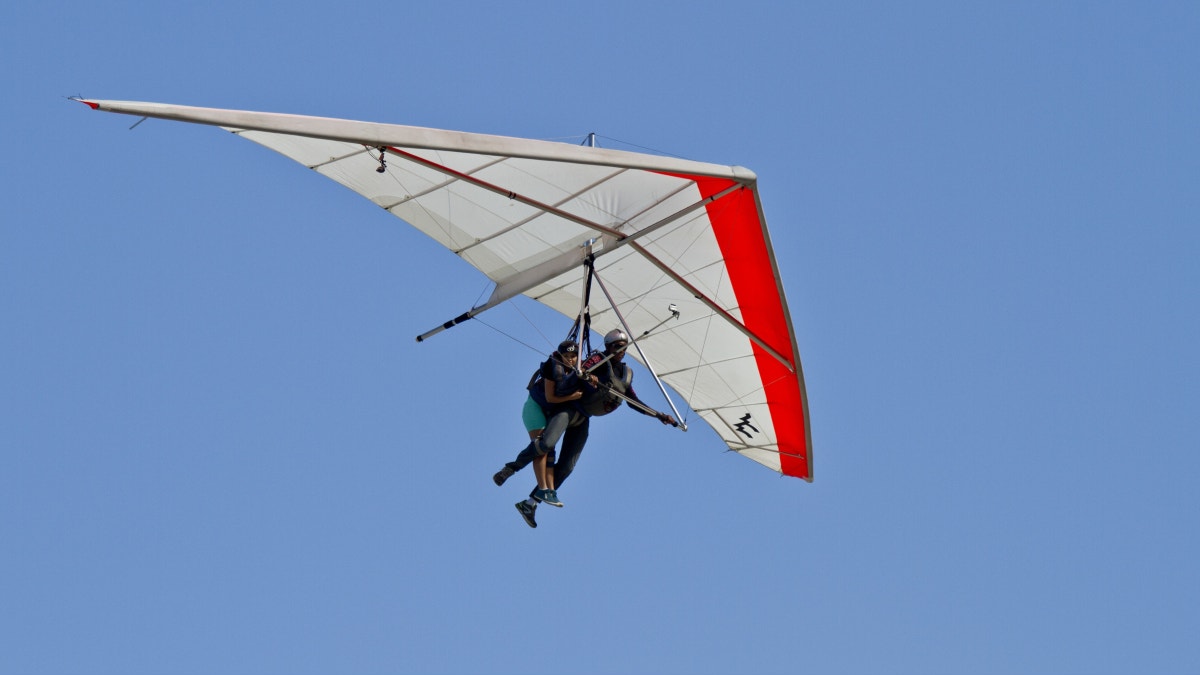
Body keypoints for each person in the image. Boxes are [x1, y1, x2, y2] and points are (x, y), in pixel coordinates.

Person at [494, 329, 676, 528]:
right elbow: (566, 384)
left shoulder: (626, 373)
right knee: (546, 443)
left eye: (623, 347)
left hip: (583, 419)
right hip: (568, 409)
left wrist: (658, 415)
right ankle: (510, 468)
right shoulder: (596, 359)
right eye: (616, 346)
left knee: (567, 467)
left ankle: (530, 504)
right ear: (608, 347)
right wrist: (586, 377)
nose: (620, 350)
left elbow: (633, 401)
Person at [492, 340, 594, 512]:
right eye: (566, 356)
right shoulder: (551, 367)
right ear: (560, 355)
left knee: (551, 451)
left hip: (550, 413)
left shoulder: (578, 369)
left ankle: (543, 494)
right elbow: (550, 398)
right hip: (535, 408)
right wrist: (573, 397)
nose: (569, 360)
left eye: (573, 356)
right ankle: (533, 482)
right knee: (542, 446)